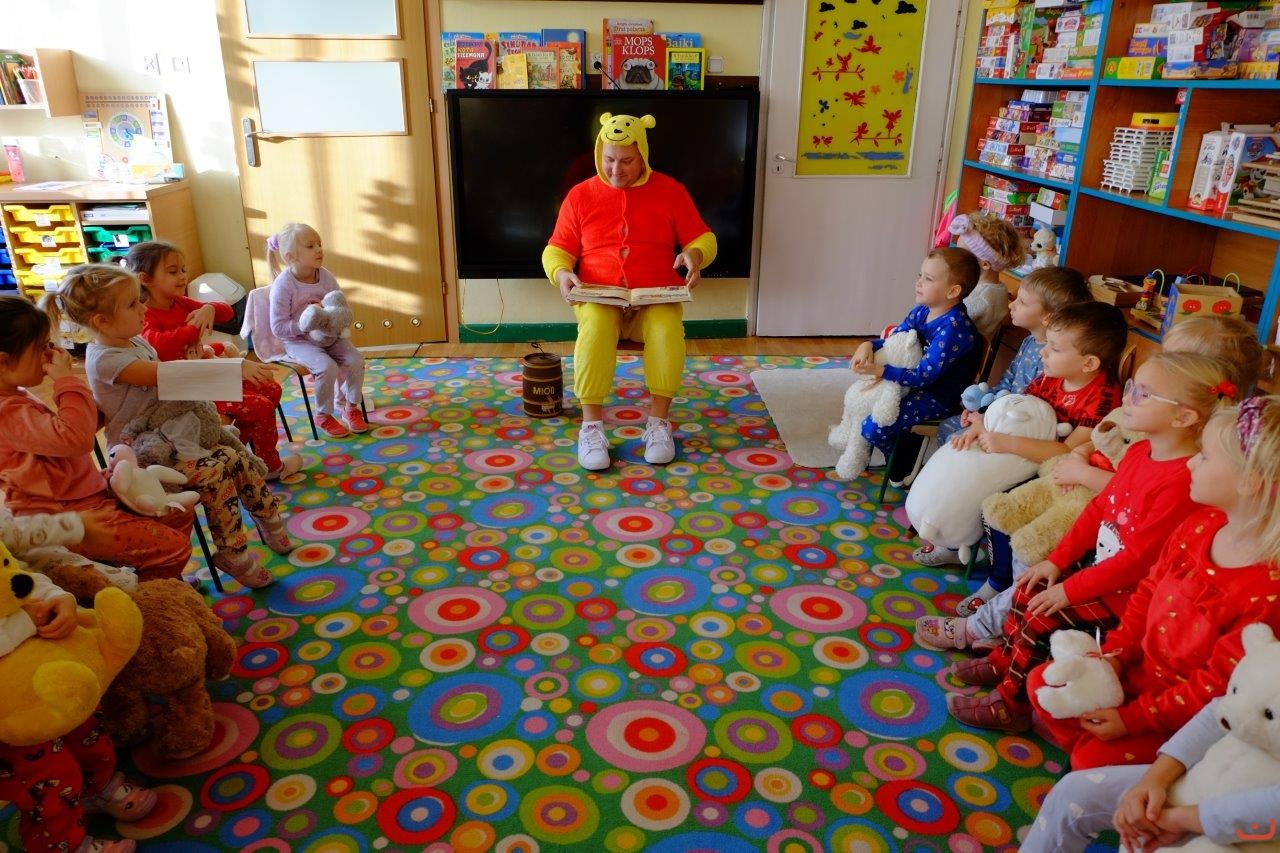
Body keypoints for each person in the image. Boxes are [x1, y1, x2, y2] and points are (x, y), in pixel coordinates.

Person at [942, 352, 1232, 732]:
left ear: (1183, 417)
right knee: (1029, 588)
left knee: (1042, 618)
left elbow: (1138, 561)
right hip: (1100, 570)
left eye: (1143, 394)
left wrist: (1070, 589)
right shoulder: (1139, 452)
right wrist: (1057, 561)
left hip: (1126, 595)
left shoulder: (1180, 481)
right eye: (1131, 388)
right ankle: (1004, 662)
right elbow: (1098, 510)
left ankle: (1011, 704)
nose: (1127, 398)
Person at [1023, 396, 1280, 770]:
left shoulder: (1267, 590)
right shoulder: (1200, 525)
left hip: (1180, 716)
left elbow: (1216, 688)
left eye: (1205, 456)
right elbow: (1147, 593)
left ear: (1249, 481)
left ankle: (1099, 764)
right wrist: (1114, 656)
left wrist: (1134, 719)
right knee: (1041, 684)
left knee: (1088, 759)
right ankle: (1091, 753)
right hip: (1136, 675)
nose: (1190, 462)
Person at [44, 264, 292, 589]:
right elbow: (165, 377)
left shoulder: (133, 341)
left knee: (236, 458)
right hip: (141, 455)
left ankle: (268, 517)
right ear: (101, 321)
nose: (143, 308)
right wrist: (233, 367)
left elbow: (171, 375)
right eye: (132, 304)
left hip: (173, 437)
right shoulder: (105, 358)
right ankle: (233, 552)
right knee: (214, 471)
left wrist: (208, 360)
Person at [542, 113, 717, 470]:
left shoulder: (671, 191)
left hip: (654, 301)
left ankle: (659, 424)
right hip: (600, 299)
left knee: (667, 328)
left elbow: (703, 237)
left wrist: (694, 255)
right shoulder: (580, 195)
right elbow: (557, 249)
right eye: (609, 160)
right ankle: (591, 428)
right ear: (599, 154)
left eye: (626, 161)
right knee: (594, 326)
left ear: (643, 156)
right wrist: (562, 274)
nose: (616, 170)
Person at [0, 295, 194, 582]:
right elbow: (77, 439)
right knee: (173, 549)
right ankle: (149, 594)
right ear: (3, 362)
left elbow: (74, 433)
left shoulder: (15, 395)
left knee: (178, 512)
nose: (49, 354)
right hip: (67, 516)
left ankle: (159, 578)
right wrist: (66, 381)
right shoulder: (6, 412)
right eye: (41, 347)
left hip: (84, 494)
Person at [916, 265, 1091, 568]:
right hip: (1000, 420)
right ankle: (949, 519)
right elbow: (1007, 384)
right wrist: (981, 410)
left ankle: (964, 535)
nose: (1012, 305)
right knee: (953, 431)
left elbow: (1029, 410)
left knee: (965, 452)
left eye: (1022, 301)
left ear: (1048, 317)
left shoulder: (1055, 361)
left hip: (1023, 436)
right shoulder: (1029, 343)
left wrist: (987, 423)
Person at [0, 564, 154, 853]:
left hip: (50, 671)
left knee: (88, 730)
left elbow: (19, 579)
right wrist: (25, 621)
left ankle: (97, 787)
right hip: (10, 716)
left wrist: (58, 598)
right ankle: (61, 844)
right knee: (45, 778)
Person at [126, 241, 303, 481]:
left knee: (270, 387)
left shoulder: (180, 302)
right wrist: (194, 326)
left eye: (183, 269)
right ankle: (266, 466)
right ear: (146, 279)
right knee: (260, 406)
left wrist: (208, 308)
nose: (182, 276)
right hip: (186, 394)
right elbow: (161, 345)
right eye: (173, 271)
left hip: (206, 378)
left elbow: (227, 313)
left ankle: (245, 462)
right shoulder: (145, 315)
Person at [1021, 697, 1280, 852]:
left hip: (1255, 830)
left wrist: (1184, 819)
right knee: (1076, 791)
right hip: (1208, 775)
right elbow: (1224, 708)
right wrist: (1153, 780)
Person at [847, 246, 982, 484]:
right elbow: (896, 341)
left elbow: (924, 376)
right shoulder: (921, 312)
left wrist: (880, 371)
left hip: (937, 395)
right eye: (920, 275)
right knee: (860, 400)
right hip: (910, 383)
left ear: (953, 291)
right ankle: (895, 443)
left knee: (873, 426)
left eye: (928, 279)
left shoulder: (954, 328)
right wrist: (868, 345)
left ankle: (905, 453)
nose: (918, 283)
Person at [267, 222, 367, 439]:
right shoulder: (284, 285)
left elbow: (338, 306)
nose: (319, 249)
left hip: (329, 336)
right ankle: (323, 415)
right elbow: (278, 327)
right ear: (291, 256)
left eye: (319, 244)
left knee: (356, 360)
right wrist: (305, 325)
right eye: (311, 246)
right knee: (326, 366)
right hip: (298, 341)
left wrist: (333, 320)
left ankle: (350, 407)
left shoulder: (325, 277)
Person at [949, 211, 1026, 341]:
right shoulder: (997, 287)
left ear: (985, 264)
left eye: (963, 255)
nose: (956, 259)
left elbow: (949, 323)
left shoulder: (981, 299)